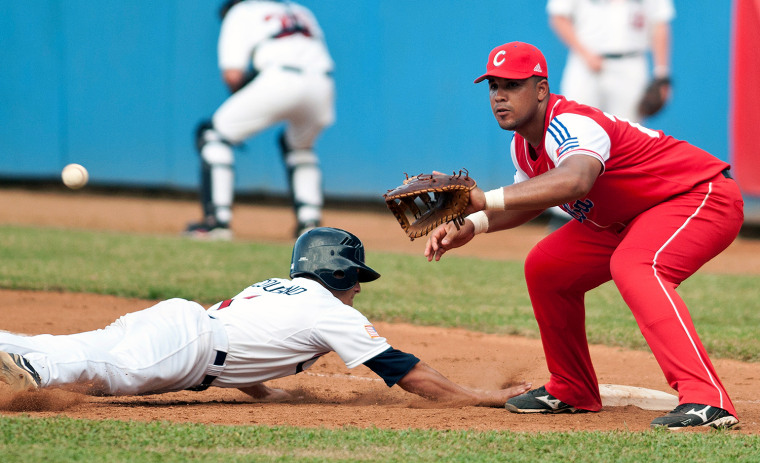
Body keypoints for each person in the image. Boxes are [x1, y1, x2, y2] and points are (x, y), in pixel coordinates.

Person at [424, 42, 744, 430]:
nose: (500, 96)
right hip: (630, 216)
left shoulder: (571, 123)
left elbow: (575, 180)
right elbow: (532, 198)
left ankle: (707, 400)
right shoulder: (522, 146)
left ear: (541, 89)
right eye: (493, 86)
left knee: (636, 266)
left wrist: (482, 199)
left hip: (698, 195)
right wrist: (473, 224)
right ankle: (571, 388)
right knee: (547, 268)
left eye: (512, 84)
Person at [0, 227, 530, 408]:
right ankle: (27, 369)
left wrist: (268, 393)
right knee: (97, 372)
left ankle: (13, 347)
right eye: (355, 279)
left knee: (79, 345)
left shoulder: (276, 289)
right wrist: (481, 396)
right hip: (187, 347)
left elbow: (246, 343)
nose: (356, 290)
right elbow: (407, 372)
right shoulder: (329, 310)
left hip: (181, 326)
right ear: (342, 276)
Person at [185, 0, 336, 240]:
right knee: (300, 148)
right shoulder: (299, 10)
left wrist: (250, 97)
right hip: (323, 85)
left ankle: (218, 224)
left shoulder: (242, 10)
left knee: (213, 135)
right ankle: (310, 225)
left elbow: (233, 76)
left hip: (279, 78)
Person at [544, 0, 675, 229]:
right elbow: (558, 16)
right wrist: (584, 52)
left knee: (630, 140)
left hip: (631, 63)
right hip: (585, 63)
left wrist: (662, 74)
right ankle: (563, 216)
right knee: (572, 134)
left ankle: (625, 214)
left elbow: (660, 22)